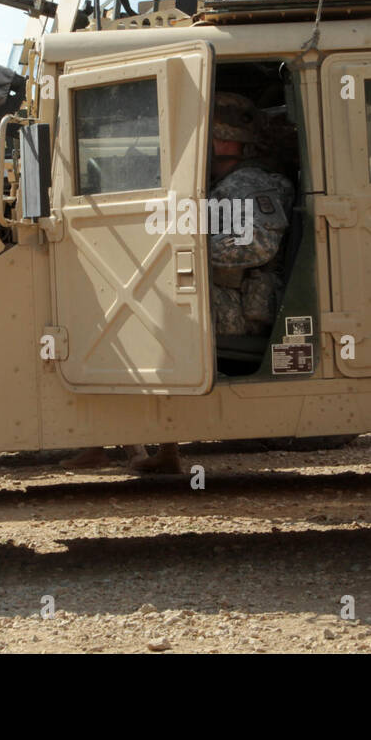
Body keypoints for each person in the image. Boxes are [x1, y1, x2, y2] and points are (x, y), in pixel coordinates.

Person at [128, 92, 297, 474]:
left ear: (236, 143)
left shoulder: (247, 184)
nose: (209, 145)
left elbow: (256, 245)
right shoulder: (230, 182)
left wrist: (183, 252)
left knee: (147, 322)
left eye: (217, 138)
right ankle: (158, 446)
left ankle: (158, 446)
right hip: (228, 299)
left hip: (237, 308)